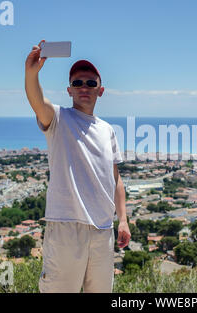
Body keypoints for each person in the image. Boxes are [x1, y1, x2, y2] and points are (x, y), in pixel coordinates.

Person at [24, 40, 131, 293]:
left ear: (100, 90)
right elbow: (37, 101)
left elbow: (115, 179)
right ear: (69, 90)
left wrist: (123, 220)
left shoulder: (107, 130)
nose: (84, 87)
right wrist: (31, 73)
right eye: (78, 83)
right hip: (65, 228)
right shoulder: (59, 118)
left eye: (90, 83)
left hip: (103, 231)